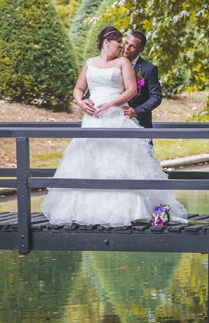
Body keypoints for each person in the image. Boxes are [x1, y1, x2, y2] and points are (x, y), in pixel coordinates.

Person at [41, 26, 187, 227]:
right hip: (93, 119)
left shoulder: (124, 62)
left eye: (127, 44)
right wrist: (81, 102)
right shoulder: (90, 63)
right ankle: (88, 212)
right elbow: (79, 88)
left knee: (124, 163)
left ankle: (139, 212)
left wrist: (112, 104)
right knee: (90, 162)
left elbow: (133, 89)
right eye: (120, 42)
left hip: (117, 115)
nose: (123, 46)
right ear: (106, 42)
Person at [81, 31, 163, 128]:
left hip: (137, 120)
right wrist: (86, 100)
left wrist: (136, 111)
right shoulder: (112, 62)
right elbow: (102, 84)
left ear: (141, 49)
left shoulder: (148, 69)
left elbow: (156, 97)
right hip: (106, 117)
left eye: (132, 46)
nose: (126, 48)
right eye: (126, 43)